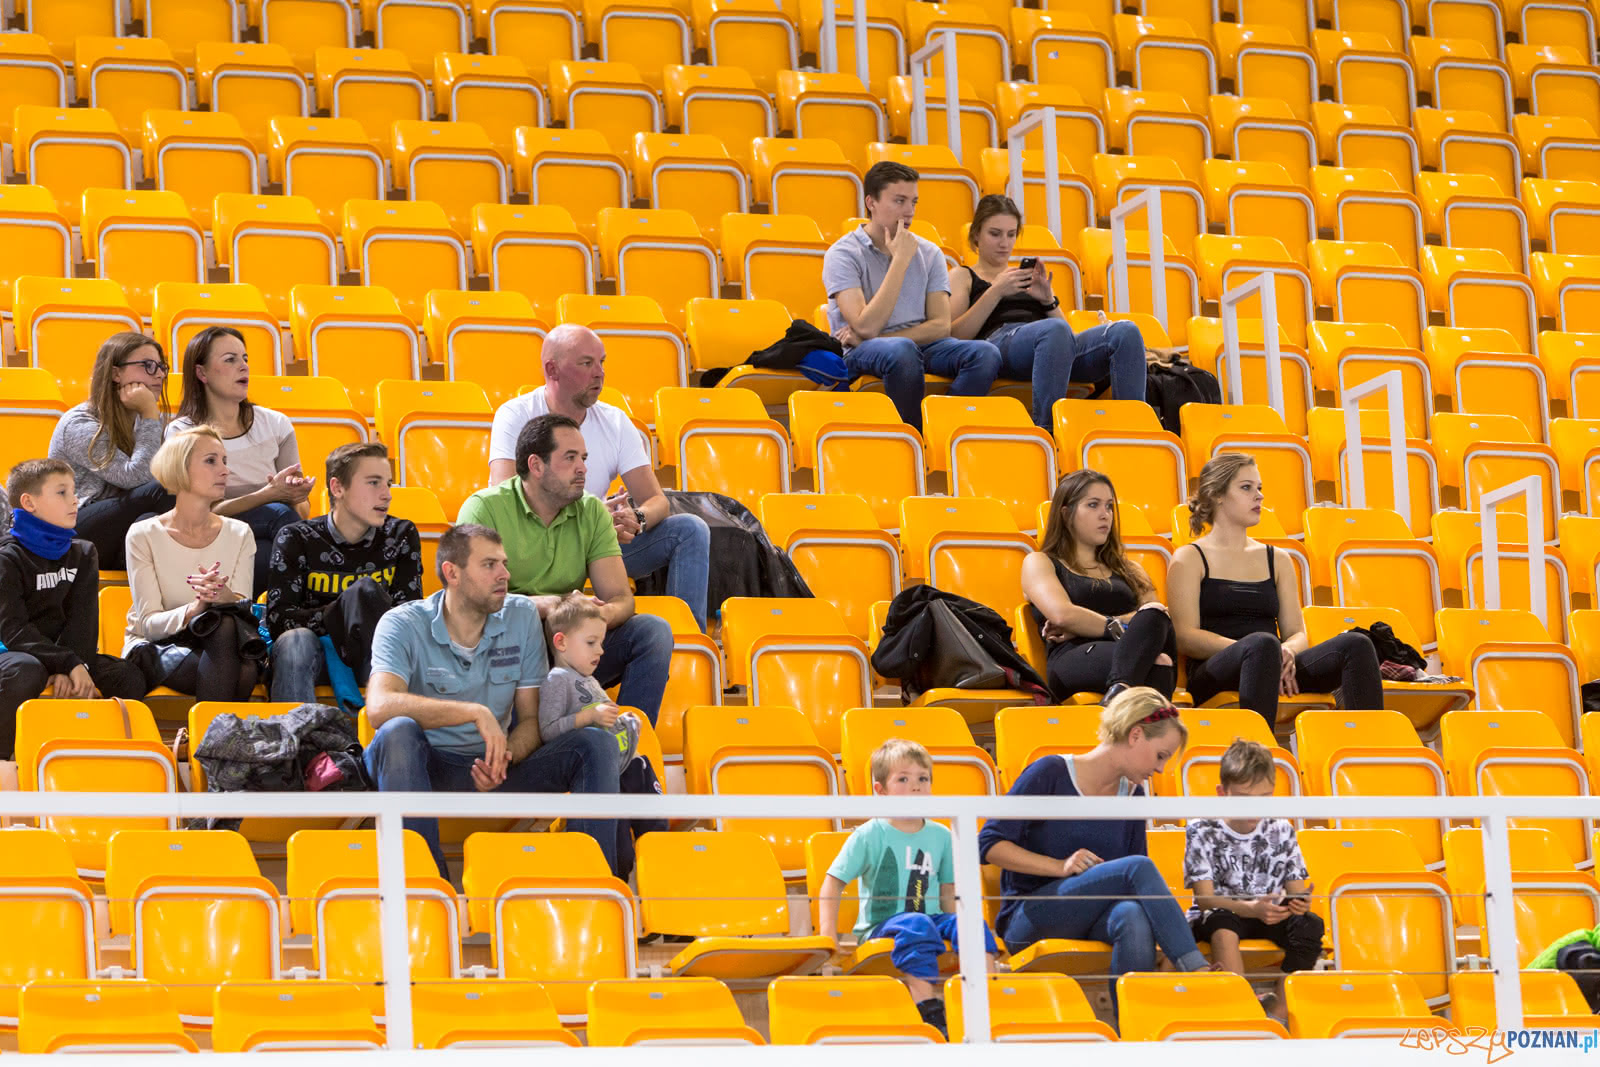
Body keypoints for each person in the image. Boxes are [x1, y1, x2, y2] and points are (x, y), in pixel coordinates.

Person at [362, 523, 623, 879]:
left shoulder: (521, 615)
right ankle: (423, 886)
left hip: (496, 766)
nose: (505, 574)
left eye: (504, 563)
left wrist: (505, 755)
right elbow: (378, 707)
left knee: (595, 742)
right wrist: (473, 713)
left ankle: (588, 886)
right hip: (425, 768)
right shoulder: (402, 623)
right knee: (398, 732)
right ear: (451, 573)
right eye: (489, 565)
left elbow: (531, 720)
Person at [978, 687, 1213, 1017]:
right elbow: (988, 844)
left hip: (1091, 917)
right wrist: (1059, 866)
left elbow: (1130, 888)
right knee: (1137, 869)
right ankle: (1199, 974)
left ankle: (1136, 1030)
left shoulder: (1133, 795)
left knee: (1132, 915)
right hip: (1028, 918)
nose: (1161, 769)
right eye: (1160, 756)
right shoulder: (1050, 773)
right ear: (1135, 735)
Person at [485, 324, 711, 630]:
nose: (599, 373)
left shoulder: (615, 421)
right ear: (552, 369)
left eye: (602, 362)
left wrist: (636, 518)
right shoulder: (515, 414)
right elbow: (504, 493)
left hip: (599, 543)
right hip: (538, 541)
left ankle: (687, 641)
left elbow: (657, 500)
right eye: (586, 363)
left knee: (690, 529)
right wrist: (586, 515)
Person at [457, 414, 673, 725]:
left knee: (652, 631)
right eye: (570, 458)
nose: (583, 468)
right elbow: (469, 604)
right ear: (536, 465)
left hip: (568, 641)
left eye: (583, 458)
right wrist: (542, 606)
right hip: (505, 646)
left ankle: (626, 744)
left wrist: (596, 615)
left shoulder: (592, 511)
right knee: (516, 633)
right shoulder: (484, 509)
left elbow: (621, 599)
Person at [1169, 453, 1384, 729]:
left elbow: (1297, 633)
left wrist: (1287, 653)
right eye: (1246, 488)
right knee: (1262, 643)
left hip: (1274, 661)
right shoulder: (1189, 558)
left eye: (1259, 488)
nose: (1258, 496)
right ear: (1218, 495)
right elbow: (1185, 636)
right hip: (1216, 668)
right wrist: (1254, 651)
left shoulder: (1278, 558)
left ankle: (1369, 754)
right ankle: (1259, 759)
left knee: (1357, 645)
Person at [818, 738, 1000, 1038]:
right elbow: (833, 880)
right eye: (903, 779)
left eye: (922, 778)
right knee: (915, 923)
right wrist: (828, 932)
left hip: (931, 918)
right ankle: (927, 1006)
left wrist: (959, 928)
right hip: (882, 925)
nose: (916, 786)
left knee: (969, 922)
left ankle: (987, 997)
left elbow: (947, 891)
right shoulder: (869, 834)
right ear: (881, 791)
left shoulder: (941, 834)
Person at [823, 161, 1001, 431]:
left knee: (986, 353)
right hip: (859, 351)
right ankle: (912, 438)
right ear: (871, 202)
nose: (909, 211)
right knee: (901, 351)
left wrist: (880, 337)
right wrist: (900, 261)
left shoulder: (929, 253)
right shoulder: (843, 254)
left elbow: (941, 326)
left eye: (913, 202)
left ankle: (943, 431)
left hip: (915, 346)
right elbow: (865, 325)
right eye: (899, 201)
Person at [949, 195, 1146, 429]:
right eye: (995, 233)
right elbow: (954, 336)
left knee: (1125, 332)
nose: (1004, 243)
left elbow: (1068, 339)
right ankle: (1047, 431)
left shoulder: (1025, 277)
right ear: (976, 234)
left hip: (1049, 345)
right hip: (997, 343)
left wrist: (1048, 301)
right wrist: (996, 292)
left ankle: (1133, 432)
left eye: (1011, 234)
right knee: (1053, 330)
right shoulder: (963, 275)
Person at [0, 459, 151, 759]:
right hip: (14, 653)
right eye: (62, 493)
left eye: (73, 491)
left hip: (64, 656)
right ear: (28, 502)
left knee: (127, 676)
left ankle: (111, 765)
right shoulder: (7, 557)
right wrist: (66, 663)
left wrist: (75, 664)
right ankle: (5, 760)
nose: (75, 500)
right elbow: (14, 630)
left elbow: (84, 623)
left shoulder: (83, 552)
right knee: (25, 671)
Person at [263, 442, 424, 705]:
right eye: (373, 483)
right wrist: (346, 611)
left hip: (373, 657)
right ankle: (295, 741)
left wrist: (351, 609)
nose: (387, 495)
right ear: (337, 488)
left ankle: (384, 741)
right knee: (295, 641)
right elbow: (279, 620)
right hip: (311, 656)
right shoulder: (296, 538)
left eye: (388, 484)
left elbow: (408, 617)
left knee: (371, 599)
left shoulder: (400, 535)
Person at [166, 326, 315, 593]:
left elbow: (301, 512)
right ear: (202, 373)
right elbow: (195, 513)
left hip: (267, 539)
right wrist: (268, 495)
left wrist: (294, 495)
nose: (243, 367)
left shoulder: (275, 424)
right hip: (210, 535)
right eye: (230, 360)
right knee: (278, 515)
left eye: (245, 358)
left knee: (270, 550)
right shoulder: (183, 432)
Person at [1185, 738, 1323, 1021]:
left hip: (1268, 914)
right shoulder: (1201, 828)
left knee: (1310, 925)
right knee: (1222, 922)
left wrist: (1297, 904)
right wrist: (1251, 908)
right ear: (1222, 793)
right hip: (1222, 913)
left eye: (1264, 799)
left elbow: (1296, 892)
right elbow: (1205, 898)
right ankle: (1242, 1008)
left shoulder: (1282, 829)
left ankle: (1279, 1013)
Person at [123, 426, 261, 702]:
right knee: (240, 670)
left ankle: (208, 741)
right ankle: (218, 742)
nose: (224, 470)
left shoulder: (240, 532)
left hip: (221, 641)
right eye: (211, 461)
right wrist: (196, 608)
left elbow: (243, 608)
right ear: (180, 469)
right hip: (158, 643)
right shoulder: (143, 535)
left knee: (226, 631)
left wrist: (225, 599)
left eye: (225, 461)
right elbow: (148, 624)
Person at [1022, 470, 1176, 702]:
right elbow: (1063, 615)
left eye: (1109, 507)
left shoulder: (1131, 570)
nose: (1105, 515)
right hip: (1073, 656)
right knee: (1159, 664)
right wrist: (1122, 624)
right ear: (1066, 514)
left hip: (1135, 650)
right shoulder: (1040, 562)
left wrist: (1089, 624)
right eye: (1093, 505)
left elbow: (1155, 619)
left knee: (1156, 620)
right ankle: (1129, 711)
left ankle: (1118, 694)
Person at [48, 332, 175, 570]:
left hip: (119, 530)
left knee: (149, 524)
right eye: (147, 366)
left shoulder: (142, 421)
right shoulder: (79, 424)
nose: (159, 374)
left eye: (161, 366)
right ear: (116, 373)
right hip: (75, 527)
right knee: (166, 488)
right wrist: (149, 414)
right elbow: (135, 477)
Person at [538, 591, 640, 766]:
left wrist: (622, 722)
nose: (600, 651)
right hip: (592, 764)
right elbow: (548, 730)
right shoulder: (557, 679)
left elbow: (603, 722)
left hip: (617, 762)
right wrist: (589, 716)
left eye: (601, 643)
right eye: (591, 642)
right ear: (561, 642)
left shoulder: (589, 679)